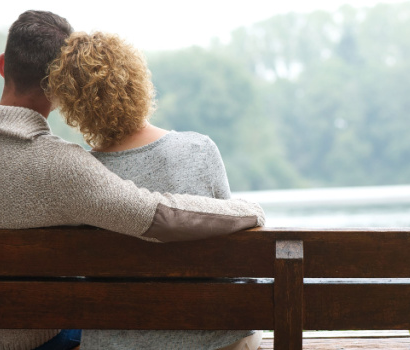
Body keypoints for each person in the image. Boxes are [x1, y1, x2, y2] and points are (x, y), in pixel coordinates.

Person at [0, 10, 265, 350]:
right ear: (59, 86)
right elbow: (157, 216)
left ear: (2, 64)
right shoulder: (59, 164)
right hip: (28, 338)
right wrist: (247, 212)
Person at [45, 32, 262, 350]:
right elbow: (232, 245)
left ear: (73, 105)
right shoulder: (198, 148)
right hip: (214, 341)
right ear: (137, 82)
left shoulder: (81, 176)